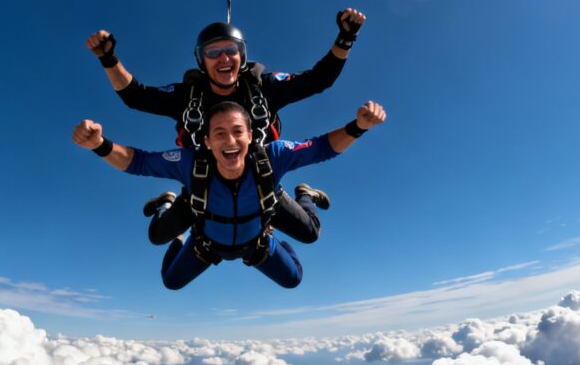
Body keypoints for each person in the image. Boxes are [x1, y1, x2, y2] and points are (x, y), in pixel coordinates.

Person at [85, 9, 366, 246]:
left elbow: (319, 80)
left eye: (231, 50)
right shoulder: (187, 97)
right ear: (201, 60)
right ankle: (166, 203)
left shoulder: (264, 87)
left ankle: (304, 195)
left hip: (258, 177)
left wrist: (346, 38)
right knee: (158, 236)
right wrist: (108, 59)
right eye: (213, 52)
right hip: (204, 180)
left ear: (242, 56)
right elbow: (137, 97)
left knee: (309, 233)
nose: (224, 58)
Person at [72, 99, 387, 289]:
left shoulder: (272, 156)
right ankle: (168, 203)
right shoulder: (190, 162)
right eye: (219, 133)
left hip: (256, 241)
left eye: (238, 131)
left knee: (299, 266)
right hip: (206, 244)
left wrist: (358, 126)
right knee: (169, 275)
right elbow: (137, 161)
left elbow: (322, 148)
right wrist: (99, 145)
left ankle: (304, 195)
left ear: (251, 135)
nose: (230, 140)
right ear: (207, 142)